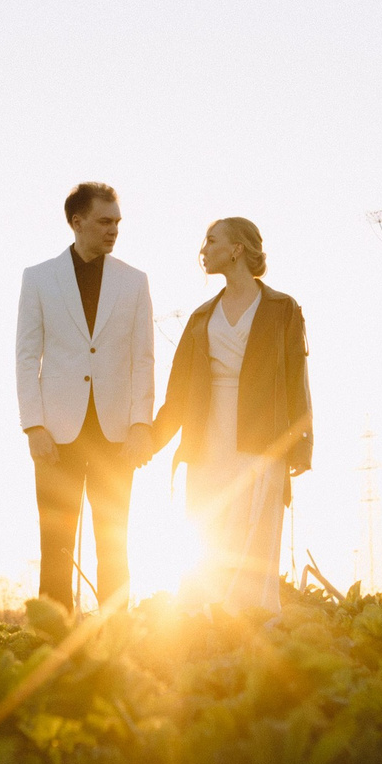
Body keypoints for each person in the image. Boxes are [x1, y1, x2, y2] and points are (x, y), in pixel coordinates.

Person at [153, 217, 312, 612]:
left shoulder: (282, 309)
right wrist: (149, 441)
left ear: (237, 249)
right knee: (209, 533)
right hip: (207, 440)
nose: (202, 250)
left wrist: (302, 445)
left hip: (262, 436)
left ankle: (255, 626)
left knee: (256, 536)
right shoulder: (200, 317)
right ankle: (205, 631)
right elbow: (177, 393)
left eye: (211, 241)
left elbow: (297, 382)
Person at [14, 182, 155, 610]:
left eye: (117, 222)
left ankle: (116, 637)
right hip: (56, 435)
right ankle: (51, 638)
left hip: (116, 435)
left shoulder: (134, 281)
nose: (113, 230)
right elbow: (25, 356)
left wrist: (141, 426)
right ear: (77, 222)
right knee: (55, 542)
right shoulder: (38, 278)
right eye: (104, 221)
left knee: (114, 541)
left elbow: (143, 359)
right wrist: (33, 427)